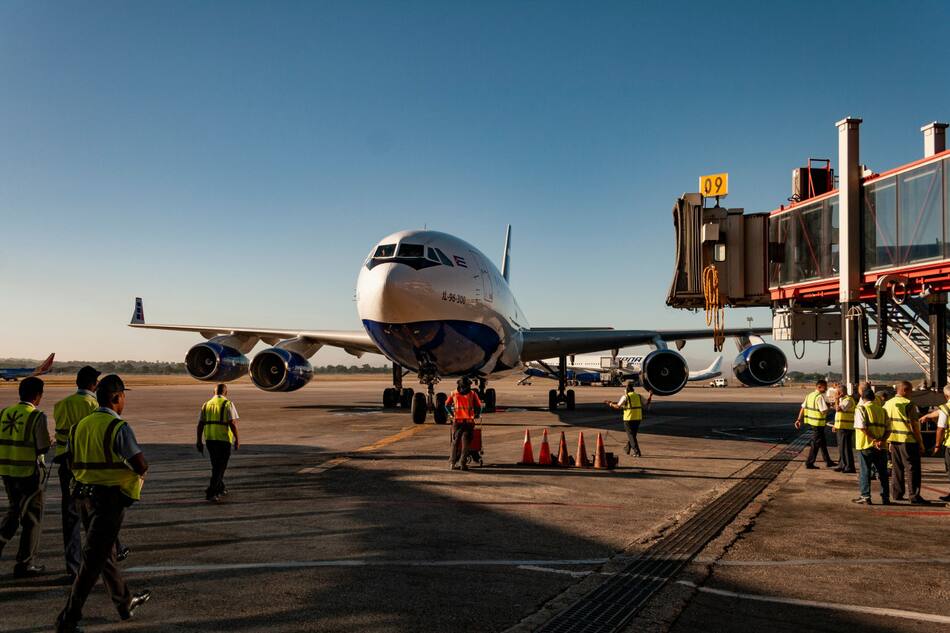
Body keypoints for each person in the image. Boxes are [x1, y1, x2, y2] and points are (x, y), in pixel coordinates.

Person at [55, 375, 151, 633]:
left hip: (84, 497)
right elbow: (140, 464)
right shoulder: (118, 427)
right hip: (109, 500)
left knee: (104, 554)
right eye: (123, 397)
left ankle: (124, 603)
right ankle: (68, 618)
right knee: (92, 562)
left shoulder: (80, 426)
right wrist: (135, 478)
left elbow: (70, 463)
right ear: (116, 397)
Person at [52, 365, 128, 580]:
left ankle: (73, 566)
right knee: (101, 513)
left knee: (70, 516)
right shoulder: (94, 405)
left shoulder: (61, 404)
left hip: (65, 464)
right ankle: (111, 552)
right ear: (94, 384)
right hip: (89, 466)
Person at [0, 376, 51, 578]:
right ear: (38, 396)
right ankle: (25, 563)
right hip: (29, 475)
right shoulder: (36, 416)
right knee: (31, 519)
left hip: (7, 472)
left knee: (13, 514)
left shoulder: (4, 413)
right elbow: (42, 446)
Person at [883, 380, 927, 504]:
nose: (912, 393)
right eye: (911, 390)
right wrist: (921, 443)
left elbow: (886, 422)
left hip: (893, 440)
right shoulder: (909, 404)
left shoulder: (888, 404)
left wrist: (888, 440)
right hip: (908, 441)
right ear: (904, 390)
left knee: (897, 469)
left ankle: (897, 493)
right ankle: (914, 495)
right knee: (912, 469)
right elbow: (914, 426)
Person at [196, 384, 240, 501]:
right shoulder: (228, 404)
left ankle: (220, 487)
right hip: (223, 439)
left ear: (213, 392)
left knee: (216, 465)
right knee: (221, 466)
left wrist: (199, 441)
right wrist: (237, 439)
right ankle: (211, 491)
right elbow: (232, 423)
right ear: (226, 392)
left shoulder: (206, 405)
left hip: (210, 439)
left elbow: (200, 425)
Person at [852, 386, 890, 505]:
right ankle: (885, 497)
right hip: (881, 446)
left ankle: (865, 496)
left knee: (865, 471)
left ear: (862, 398)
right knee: (883, 473)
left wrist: (874, 440)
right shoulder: (882, 410)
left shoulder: (861, 409)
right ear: (874, 398)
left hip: (866, 445)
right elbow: (889, 429)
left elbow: (862, 427)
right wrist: (881, 441)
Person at [795, 379, 836, 469]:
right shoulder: (819, 397)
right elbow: (824, 411)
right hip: (818, 423)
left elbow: (803, 408)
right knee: (815, 444)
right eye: (825, 386)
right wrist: (830, 405)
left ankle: (828, 461)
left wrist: (798, 419)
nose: (826, 388)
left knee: (822, 442)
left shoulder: (809, 395)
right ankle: (809, 463)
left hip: (813, 423)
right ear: (819, 387)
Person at [919, 384, 950, 502]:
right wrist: (928, 415)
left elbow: (941, 428)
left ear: (946, 396)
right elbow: (941, 412)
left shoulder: (946, 408)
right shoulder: (945, 408)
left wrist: (937, 445)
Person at [446, 377, 481, 470]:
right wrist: (477, 414)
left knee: (455, 442)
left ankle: (452, 463)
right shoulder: (472, 394)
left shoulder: (453, 393)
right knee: (466, 443)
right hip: (468, 422)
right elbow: (479, 406)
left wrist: (452, 414)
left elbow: (447, 405)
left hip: (457, 422)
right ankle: (463, 463)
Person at [605, 382, 650, 457]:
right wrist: (650, 395)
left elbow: (618, 406)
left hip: (628, 418)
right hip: (638, 418)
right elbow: (647, 403)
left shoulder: (625, 397)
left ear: (626, 390)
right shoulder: (638, 396)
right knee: (633, 435)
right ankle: (627, 448)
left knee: (631, 436)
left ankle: (637, 452)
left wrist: (610, 404)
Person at [831, 382, 856, 473]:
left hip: (846, 427)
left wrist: (836, 399)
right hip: (841, 427)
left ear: (841, 393)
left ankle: (849, 466)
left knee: (846, 448)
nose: (835, 394)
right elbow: (838, 414)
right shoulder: (843, 400)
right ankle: (842, 464)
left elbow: (838, 409)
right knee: (841, 447)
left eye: (836, 392)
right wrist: (835, 425)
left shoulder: (848, 400)